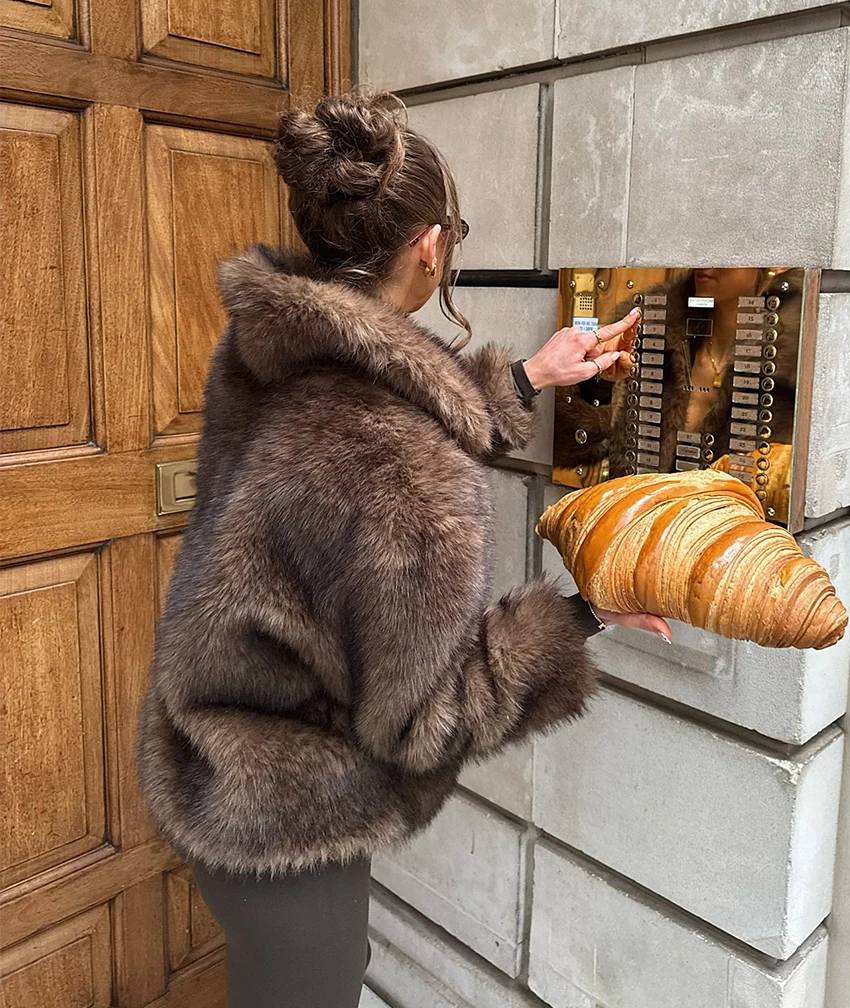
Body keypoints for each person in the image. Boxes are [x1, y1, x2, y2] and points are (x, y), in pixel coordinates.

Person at [137, 89, 670, 1008]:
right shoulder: (408, 478)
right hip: (285, 821)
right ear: (429, 245)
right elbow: (422, 720)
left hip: (205, 757)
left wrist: (530, 376)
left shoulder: (264, 353)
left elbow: (358, 418)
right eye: (454, 229)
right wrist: (584, 612)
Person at [555, 266, 802, 480]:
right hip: (640, 525)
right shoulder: (647, 331)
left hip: (729, 531)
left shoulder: (798, 359)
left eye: (725, 247)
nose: (704, 261)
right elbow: (571, 445)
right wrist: (599, 383)